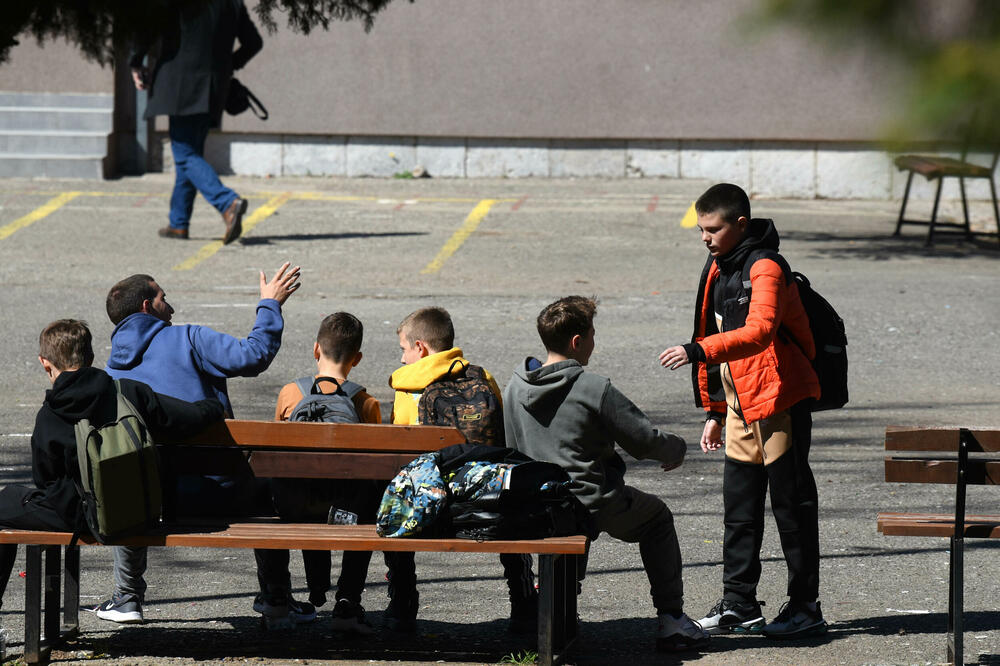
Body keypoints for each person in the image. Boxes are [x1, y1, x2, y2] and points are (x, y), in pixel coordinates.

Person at [658, 182, 826, 639]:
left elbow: (760, 331)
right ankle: (739, 604)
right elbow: (713, 329)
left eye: (713, 229)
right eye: (700, 230)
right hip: (739, 406)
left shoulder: (765, 267)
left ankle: (805, 608)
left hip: (779, 401)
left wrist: (697, 351)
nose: (705, 238)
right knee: (739, 512)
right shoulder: (719, 267)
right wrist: (715, 411)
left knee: (792, 510)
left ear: (740, 224)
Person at [96, 262, 303, 626]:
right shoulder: (189, 338)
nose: (171, 307)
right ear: (146, 306)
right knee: (268, 490)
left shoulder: (111, 372)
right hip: (220, 492)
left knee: (128, 483)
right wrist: (270, 304)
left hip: (156, 502)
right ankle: (276, 597)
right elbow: (253, 355)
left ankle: (127, 597)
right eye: (164, 298)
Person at [503, 296, 709, 653]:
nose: (593, 343)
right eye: (592, 335)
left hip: (536, 504)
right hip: (589, 501)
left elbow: (510, 447)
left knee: (568, 515)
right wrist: (676, 448)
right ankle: (672, 619)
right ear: (577, 341)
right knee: (656, 518)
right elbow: (643, 439)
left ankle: (558, 606)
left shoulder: (514, 387)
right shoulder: (592, 388)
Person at [0, 320, 225, 609]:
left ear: (45, 363)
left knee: (6, 503)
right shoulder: (127, 393)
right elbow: (188, 418)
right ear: (92, 356)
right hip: (133, 508)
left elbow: (44, 478)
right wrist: (214, 405)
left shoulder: (50, 414)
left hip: (77, 516)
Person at [385, 306, 536, 633]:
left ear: (421, 348)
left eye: (404, 349)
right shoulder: (483, 378)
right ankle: (523, 598)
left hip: (433, 510)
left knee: (398, 492)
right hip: (489, 506)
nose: (402, 359)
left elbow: (402, 458)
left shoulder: (407, 390)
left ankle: (402, 601)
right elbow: (503, 440)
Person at [261, 311, 383, 633]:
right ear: (357, 358)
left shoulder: (290, 394)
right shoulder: (366, 403)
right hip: (347, 511)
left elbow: (276, 458)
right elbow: (374, 467)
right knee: (369, 499)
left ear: (316, 349)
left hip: (293, 508)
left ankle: (277, 598)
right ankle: (347, 603)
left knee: (273, 499)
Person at [129, 0, 262, 242]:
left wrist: (136, 62)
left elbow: (148, 28)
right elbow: (254, 42)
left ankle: (227, 203)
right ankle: (178, 223)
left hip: (181, 84)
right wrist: (227, 65)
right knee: (190, 153)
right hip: (214, 86)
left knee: (185, 155)